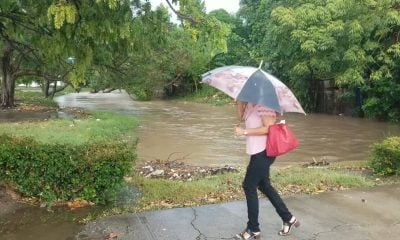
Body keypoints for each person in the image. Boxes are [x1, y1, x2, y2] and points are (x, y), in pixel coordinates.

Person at [234, 101, 299, 240]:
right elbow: (241, 118)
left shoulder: (265, 104)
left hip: (264, 152)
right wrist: (239, 102)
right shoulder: (251, 104)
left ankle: (253, 228)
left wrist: (244, 132)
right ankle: (288, 218)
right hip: (256, 152)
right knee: (264, 185)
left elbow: (269, 128)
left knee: (249, 185)